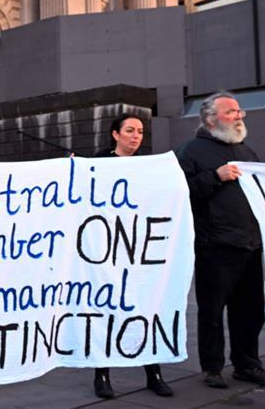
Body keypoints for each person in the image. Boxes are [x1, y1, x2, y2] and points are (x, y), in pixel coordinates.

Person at [176, 91, 265, 389]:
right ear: (210, 118)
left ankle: (247, 364)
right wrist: (215, 176)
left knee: (251, 310)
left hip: (250, 244)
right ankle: (213, 368)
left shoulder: (246, 151)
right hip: (214, 246)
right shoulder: (191, 151)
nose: (239, 116)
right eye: (231, 112)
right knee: (212, 312)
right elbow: (180, 194)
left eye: (239, 111)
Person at [90, 114, 173, 398]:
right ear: (115, 134)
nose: (136, 136)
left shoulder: (148, 166)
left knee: (146, 308)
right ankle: (102, 375)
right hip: (107, 249)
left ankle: (154, 373)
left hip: (140, 248)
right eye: (129, 130)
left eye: (140, 131)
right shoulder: (98, 163)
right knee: (105, 310)